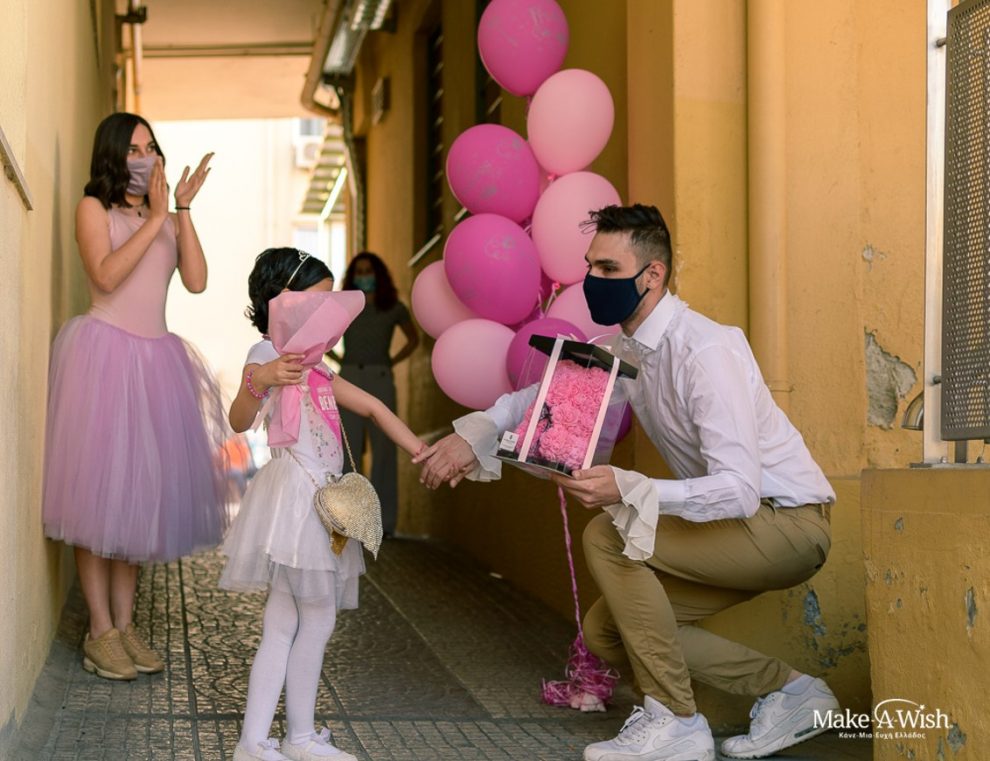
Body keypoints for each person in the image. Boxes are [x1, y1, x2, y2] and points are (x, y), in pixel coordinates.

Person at [414, 204, 840, 761]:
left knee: (608, 536)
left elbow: (739, 488)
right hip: (738, 529)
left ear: (652, 274)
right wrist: (472, 436)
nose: (593, 280)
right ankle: (794, 692)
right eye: (590, 266)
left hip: (788, 523)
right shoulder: (627, 350)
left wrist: (633, 489)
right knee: (609, 631)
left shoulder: (706, 350)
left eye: (609, 269)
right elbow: (539, 397)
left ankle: (676, 721)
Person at [221, 248, 426, 761]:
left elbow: (374, 407)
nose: (327, 312)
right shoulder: (266, 351)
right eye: (318, 300)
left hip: (319, 499)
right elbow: (239, 419)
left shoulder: (315, 367)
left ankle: (258, 741)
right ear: (282, 300)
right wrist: (262, 378)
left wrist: (421, 451)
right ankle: (296, 738)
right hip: (297, 498)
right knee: (317, 617)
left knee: (283, 623)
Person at [42, 112, 226, 681]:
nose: (145, 158)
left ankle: (124, 626)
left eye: (151, 147)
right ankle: (99, 630)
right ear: (113, 156)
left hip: (155, 364)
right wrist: (157, 218)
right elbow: (105, 276)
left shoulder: (166, 217)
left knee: (138, 501)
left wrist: (181, 211)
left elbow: (196, 281)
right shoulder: (93, 209)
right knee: (96, 498)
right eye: (133, 149)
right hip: (103, 358)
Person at [331, 251, 419, 536]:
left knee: (384, 450)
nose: (364, 276)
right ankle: (347, 519)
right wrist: (336, 359)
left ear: (378, 274)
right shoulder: (344, 306)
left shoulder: (393, 306)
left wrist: (391, 361)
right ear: (352, 276)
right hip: (349, 377)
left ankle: (384, 524)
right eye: (359, 271)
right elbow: (320, 334)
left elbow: (414, 339)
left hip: (380, 377)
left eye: (368, 270)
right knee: (348, 449)